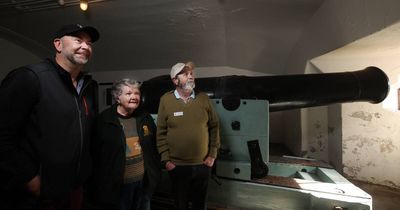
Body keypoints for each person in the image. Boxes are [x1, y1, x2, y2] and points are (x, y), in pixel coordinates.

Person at [0, 24, 100, 210]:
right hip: (38, 193)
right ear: (58, 45)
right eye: (78, 40)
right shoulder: (31, 77)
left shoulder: (88, 86)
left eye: (89, 43)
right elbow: (4, 135)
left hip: (74, 188)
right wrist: (28, 178)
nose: (86, 46)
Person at [86, 79, 161, 210]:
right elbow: (94, 155)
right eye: (129, 93)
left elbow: (154, 147)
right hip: (118, 187)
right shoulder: (103, 121)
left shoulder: (145, 117)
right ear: (117, 97)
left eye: (137, 93)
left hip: (143, 184)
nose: (134, 97)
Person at [156, 61, 220, 210]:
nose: (190, 76)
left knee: (200, 204)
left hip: (203, 164)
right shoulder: (165, 100)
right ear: (175, 80)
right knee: (180, 204)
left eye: (191, 73)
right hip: (177, 166)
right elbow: (160, 132)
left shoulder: (203, 98)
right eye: (185, 74)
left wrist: (212, 155)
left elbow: (214, 126)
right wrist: (166, 160)